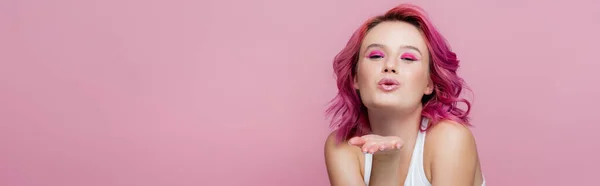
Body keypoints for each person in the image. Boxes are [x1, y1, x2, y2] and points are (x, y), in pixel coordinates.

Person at [324, 3, 485, 186]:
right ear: (355, 77)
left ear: (429, 83)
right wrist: (386, 162)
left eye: (408, 58)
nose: (390, 65)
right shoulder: (342, 147)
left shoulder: (450, 138)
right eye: (376, 56)